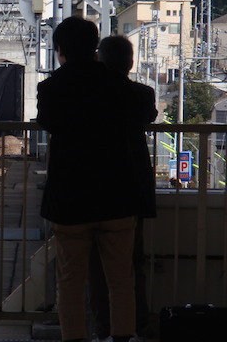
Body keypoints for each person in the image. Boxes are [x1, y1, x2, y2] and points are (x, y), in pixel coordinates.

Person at [36, 17, 141, 342]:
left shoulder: (50, 88)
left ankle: (74, 338)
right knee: (121, 277)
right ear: (95, 47)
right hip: (117, 195)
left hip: (70, 199)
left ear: (60, 50)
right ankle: (122, 337)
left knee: (69, 279)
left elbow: (48, 123)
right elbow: (141, 112)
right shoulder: (119, 86)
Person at [88, 35, 158, 342]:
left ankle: (102, 328)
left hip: (91, 189)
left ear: (99, 60)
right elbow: (147, 118)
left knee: (96, 267)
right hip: (131, 189)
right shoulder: (143, 94)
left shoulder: (87, 93)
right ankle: (133, 329)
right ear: (130, 62)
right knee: (132, 264)